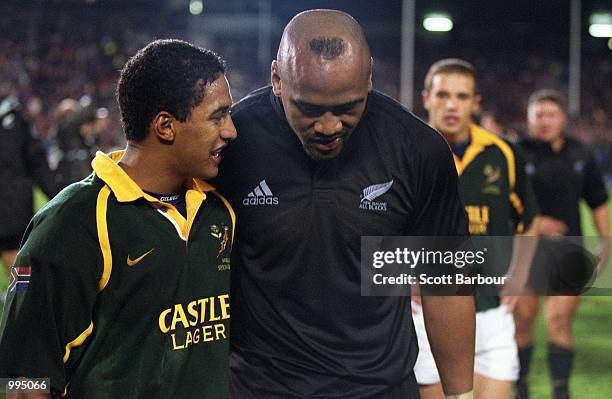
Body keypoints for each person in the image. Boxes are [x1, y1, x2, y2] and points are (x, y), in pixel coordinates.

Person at [213, 10, 475, 399]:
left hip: (381, 389)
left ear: (369, 79)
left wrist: (460, 396)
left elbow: (447, 283)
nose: (329, 126)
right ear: (277, 80)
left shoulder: (418, 149)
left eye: (348, 106)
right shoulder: (229, 143)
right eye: (310, 108)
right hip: (259, 388)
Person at [0, 39, 237, 398]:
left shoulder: (218, 209)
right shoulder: (71, 223)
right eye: (218, 116)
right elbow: (24, 379)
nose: (230, 130)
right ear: (165, 126)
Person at [413, 58, 539, 399]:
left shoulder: (503, 153)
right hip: (428, 317)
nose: (452, 104)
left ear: (475, 102)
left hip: (492, 313)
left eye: (462, 96)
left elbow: (529, 222)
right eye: (442, 95)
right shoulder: (407, 152)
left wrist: (521, 276)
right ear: (426, 98)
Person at [515, 89, 609, 399]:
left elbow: (597, 201)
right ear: (529, 119)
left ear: (562, 119)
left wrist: (605, 242)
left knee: (558, 320)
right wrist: (537, 223)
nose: (545, 121)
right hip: (525, 249)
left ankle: (561, 391)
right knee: (524, 320)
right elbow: (504, 203)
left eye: (551, 115)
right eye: (539, 115)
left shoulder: (581, 155)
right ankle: (521, 386)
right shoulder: (516, 152)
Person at [0, 94, 59, 284]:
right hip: (13, 206)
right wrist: (57, 194)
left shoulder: (15, 119)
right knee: (18, 260)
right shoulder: (16, 119)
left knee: (15, 257)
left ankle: (21, 297)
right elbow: (37, 162)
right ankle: (23, 299)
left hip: (11, 206)